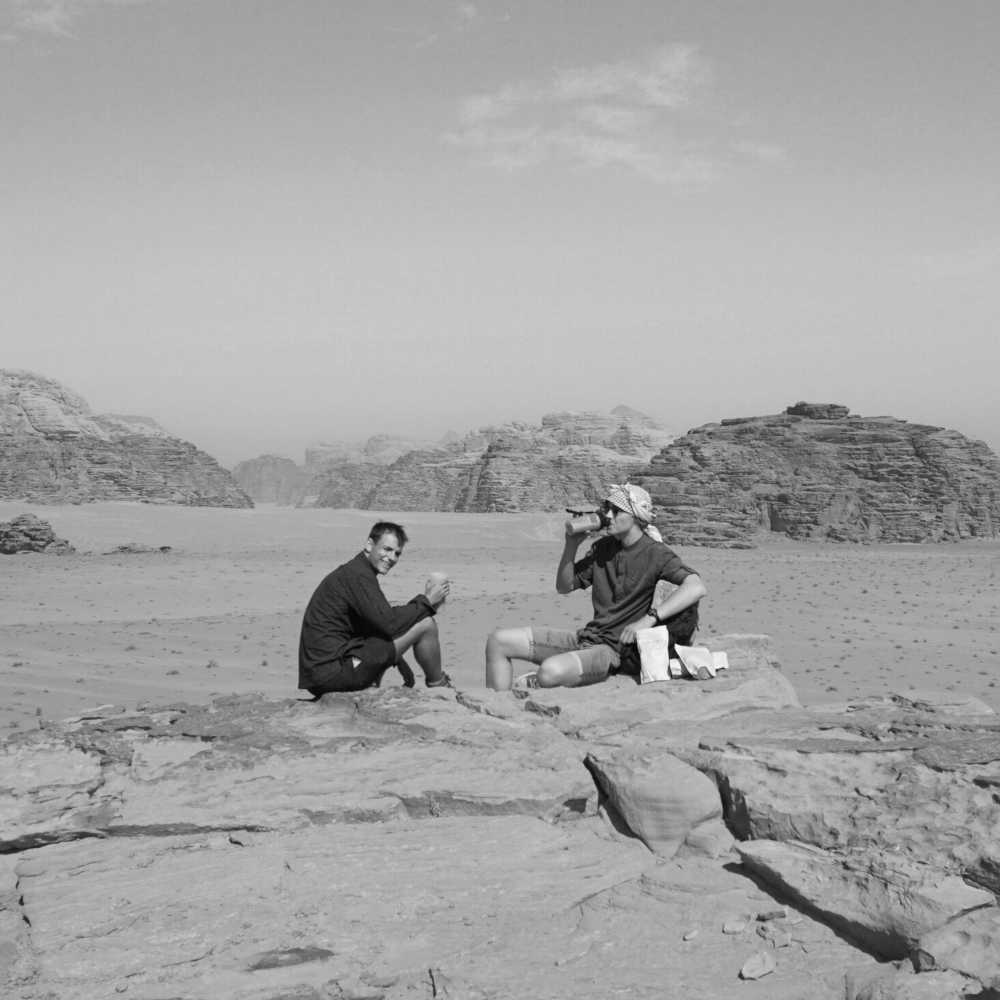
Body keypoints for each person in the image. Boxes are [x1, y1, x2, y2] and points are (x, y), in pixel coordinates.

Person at [485, 484, 707, 690]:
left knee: (549, 672)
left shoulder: (656, 553)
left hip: (611, 651)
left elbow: (696, 586)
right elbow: (565, 586)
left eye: (616, 511)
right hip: (585, 638)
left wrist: (648, 619)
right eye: (607, 509)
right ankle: (498, 708)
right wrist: (570, 546)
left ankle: (538, 682)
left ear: (635, 516)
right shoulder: (603, 548)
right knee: (498, 642)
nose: (608, 516)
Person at [299, 521, 451, 695]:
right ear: (370, 545)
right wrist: (427, 601)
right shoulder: (358, 576)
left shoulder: (354, 571)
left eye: (397, 553)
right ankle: (440, 687)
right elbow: (389, 623)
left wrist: (396, 658)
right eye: (386, 549)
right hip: (333, 674)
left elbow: (376, 625)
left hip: (323, 673)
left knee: (379, 641)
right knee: (426, 624)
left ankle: (372, 682)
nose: (391, 557)